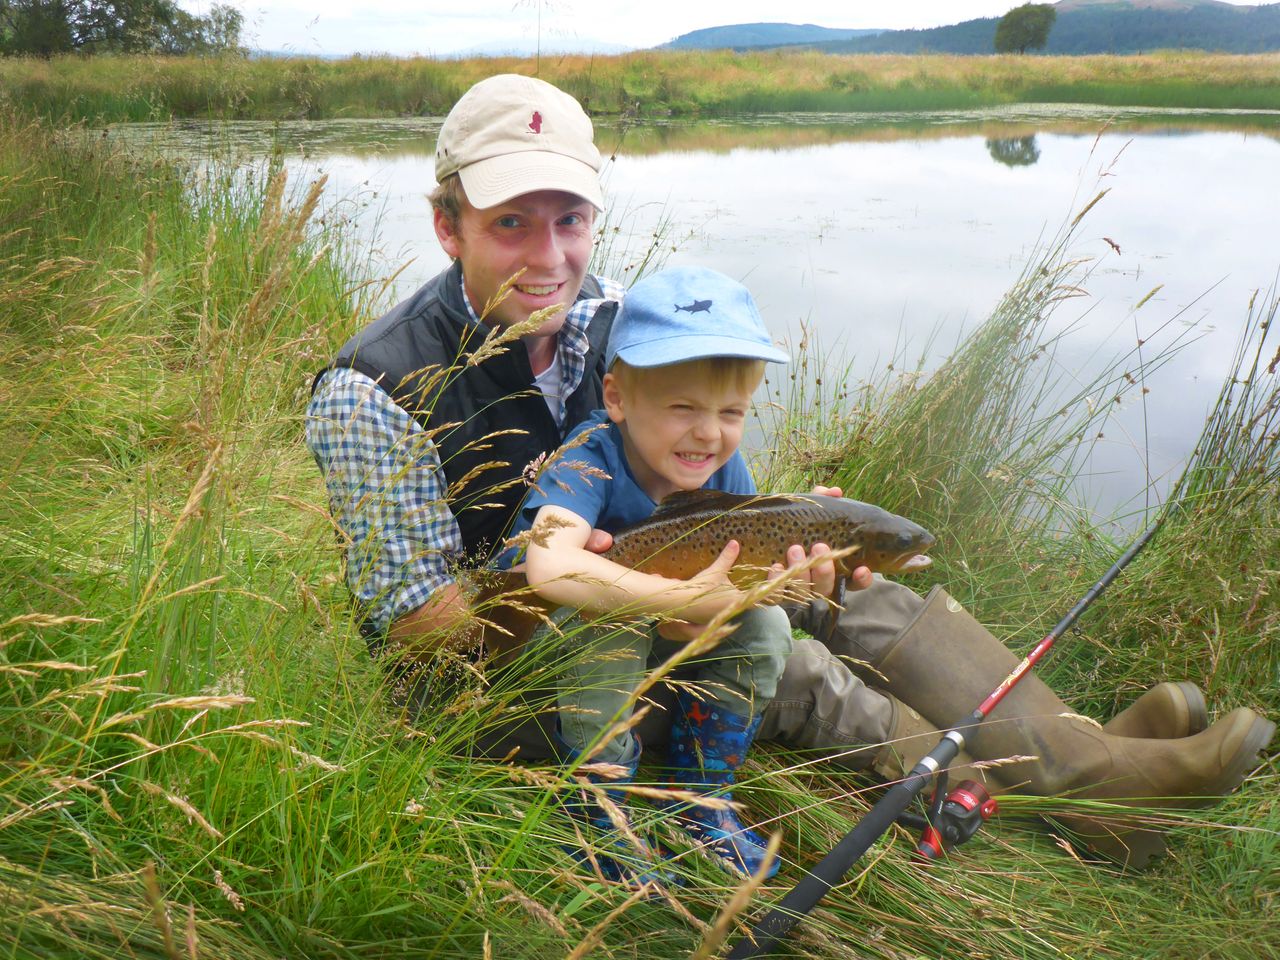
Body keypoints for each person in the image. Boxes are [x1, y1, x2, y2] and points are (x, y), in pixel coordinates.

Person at [305, 72, 1275, 874]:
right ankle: (1062, 794)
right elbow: (424, 634)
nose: (549, 256)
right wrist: (643, 601)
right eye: (510, 224)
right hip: (514, 682)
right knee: (791, 656)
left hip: (637, 578)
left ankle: (1085, 758)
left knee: (849, 587)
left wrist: (769, 538)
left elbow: (703, 477)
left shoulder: (611, 320)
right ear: (447, 225)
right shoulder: (371, 390)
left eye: (569, 220)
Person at [499, 265, 800, 879]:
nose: (709, 433)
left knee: (768, 628)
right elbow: (548, 565)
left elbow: (733, 577)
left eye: (732, 411)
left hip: (662, 621)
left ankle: (700, 795)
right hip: (543, 643)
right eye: (683, 407)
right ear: (617, 399)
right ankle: (597, 812)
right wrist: (679, 600)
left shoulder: (723, 470)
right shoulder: (591, 458)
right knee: (607, 630)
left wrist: (794, 571)